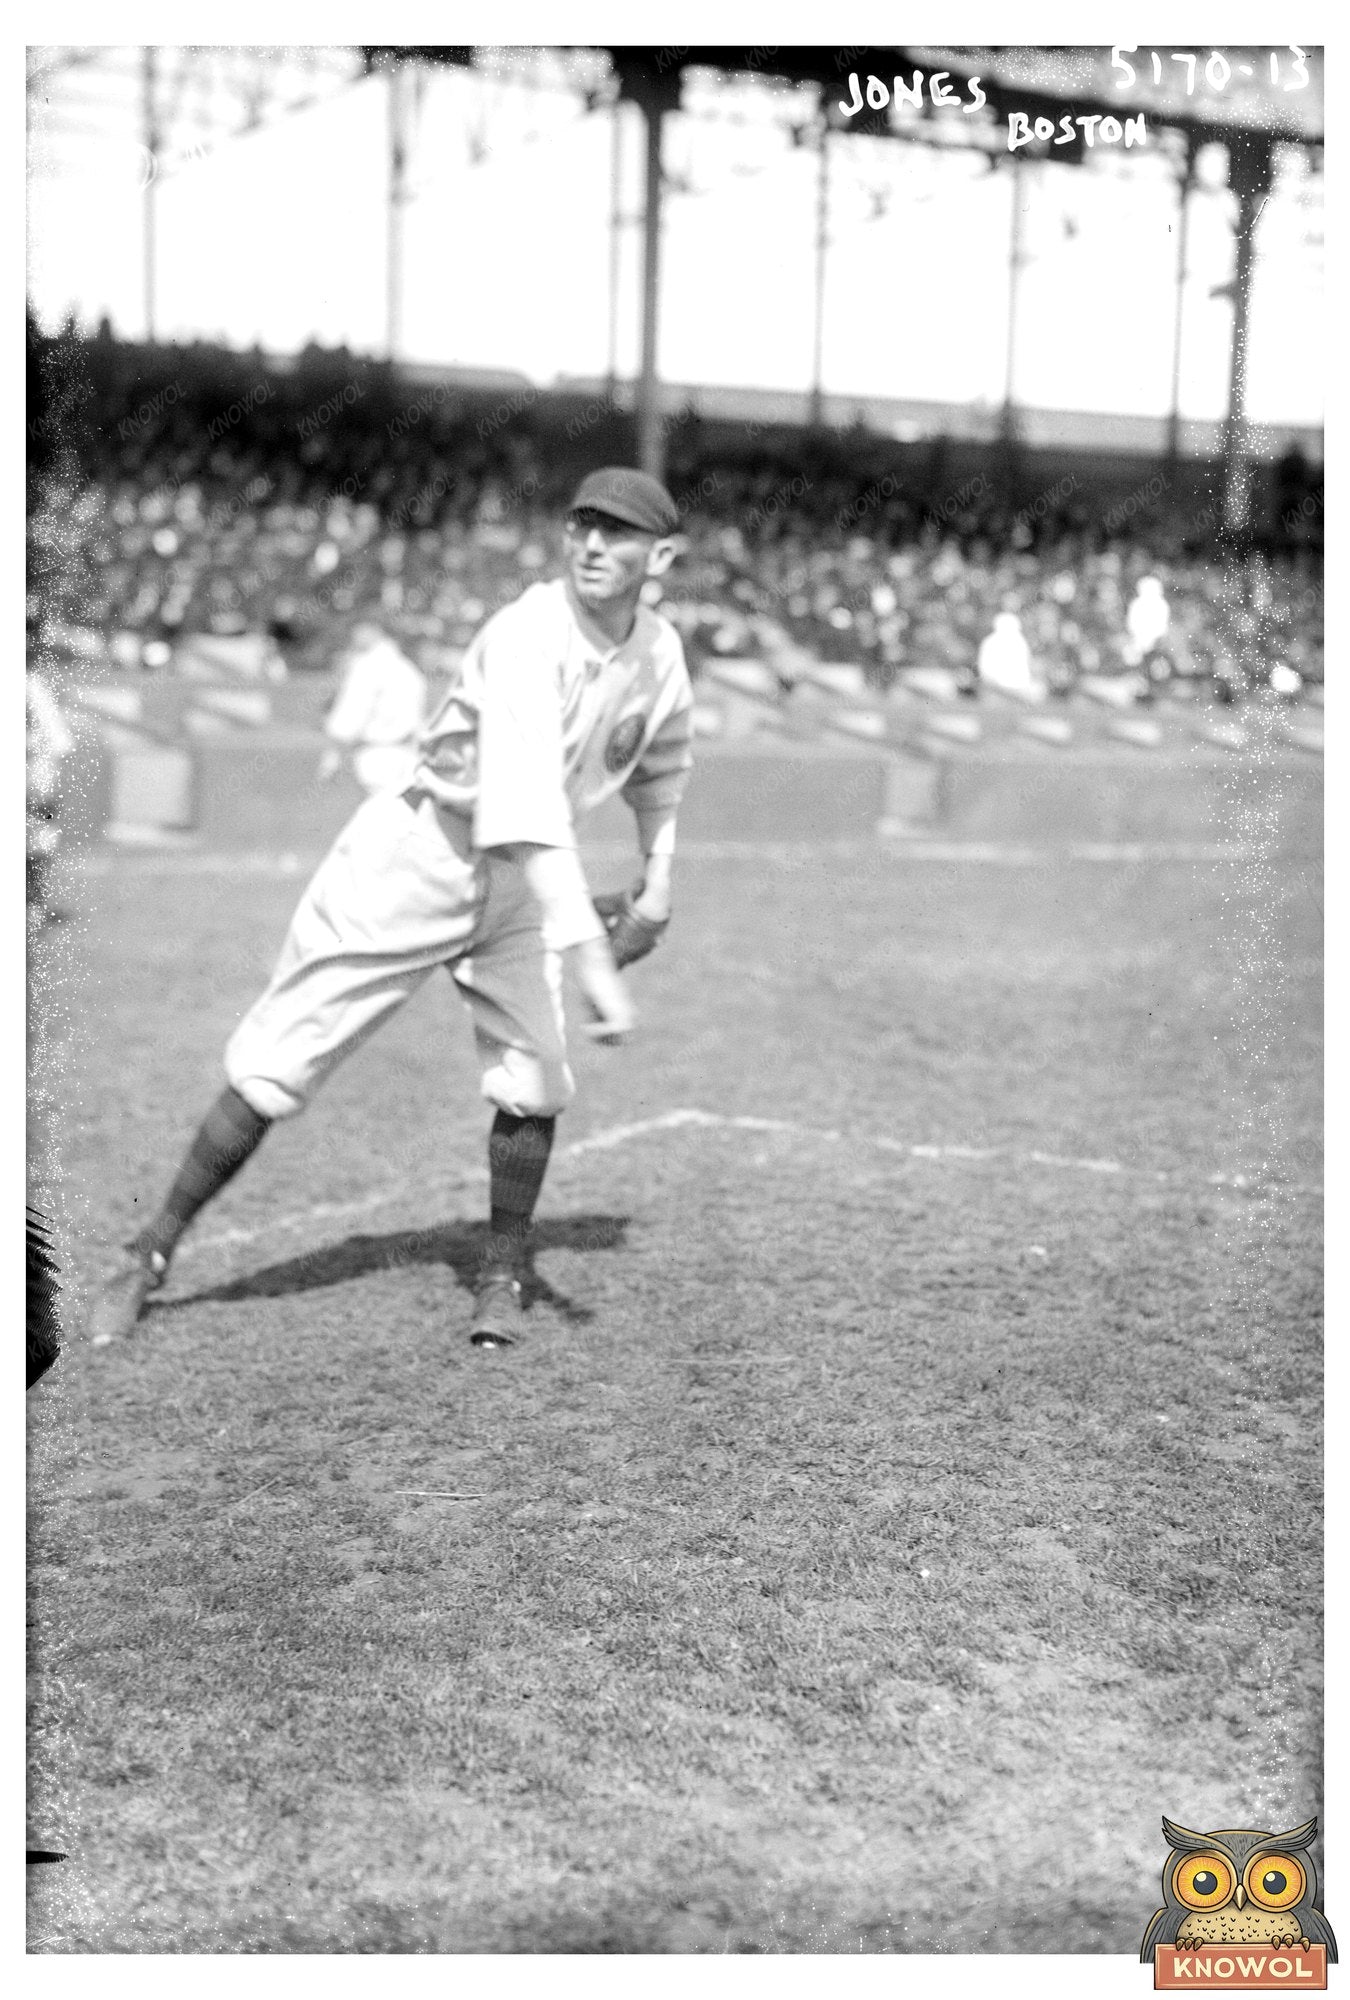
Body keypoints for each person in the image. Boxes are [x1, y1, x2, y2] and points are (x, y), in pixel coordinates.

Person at [90, 468, 695, 1353]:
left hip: (522, 882)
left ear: (663, 555)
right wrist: (593, 956)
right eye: (582, 527)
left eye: (620, 534)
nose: (594, 546)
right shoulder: (528, 632)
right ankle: (149, 1253)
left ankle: (501, 1271)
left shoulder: (660, 652)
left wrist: (658, 876)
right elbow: (522, 803)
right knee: (277, 1064)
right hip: (421, 852)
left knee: (536, 1080)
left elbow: (663, 761)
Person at [317, 618, 427, 795]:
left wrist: (332, 756)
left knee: (381, 814)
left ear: (374, 630)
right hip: (410, 754)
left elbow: (352, 713)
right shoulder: (408, 668)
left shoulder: (367, 666)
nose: (354, 637)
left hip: (376, 754)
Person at [26, 664, 76, 932]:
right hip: (35, 781)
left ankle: (32, 907)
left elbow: (58, 744)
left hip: (34, 781)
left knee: (39, 843)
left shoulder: (32, 685)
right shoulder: (31, 684)